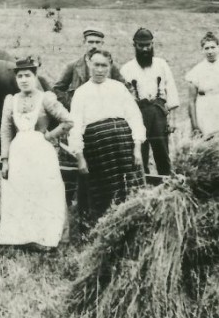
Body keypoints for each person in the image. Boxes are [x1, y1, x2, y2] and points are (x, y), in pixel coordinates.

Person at [0, 56, 73, 249]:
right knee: (21, 192)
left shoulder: (45, 98)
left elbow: (68, 121)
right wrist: (5, 160)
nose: (23, 80)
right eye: (20, 76)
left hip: (41, 153)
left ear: (35, 77)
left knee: (44, 192)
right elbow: (5, 131)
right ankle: (20, 239)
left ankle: (45, 238)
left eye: (27, 76)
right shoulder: (11, 101)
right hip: (18, 153)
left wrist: (50, 136)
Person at [69, 50, 146, 226]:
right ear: (89, 64)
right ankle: (106, 228)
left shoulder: (118, 88)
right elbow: (75, 128)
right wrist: (80, 158)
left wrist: (137, 147)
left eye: (104, 65)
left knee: (129, 189)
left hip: (124, 146)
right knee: (104, 193)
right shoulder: (81, 93)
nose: (100, 70)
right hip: (98, 150)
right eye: (96, 65)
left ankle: (133, 225)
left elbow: (134, 117)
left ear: (110, 66)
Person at [120, 28, 180, 175]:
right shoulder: (127, 68)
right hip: (138, 114)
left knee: (162, 151)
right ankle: (143, 187)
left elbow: (171, 90)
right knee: (141, 152)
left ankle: (166, 184)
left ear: (152, 44)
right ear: (134, 45)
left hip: (158, 113)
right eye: (141, 46)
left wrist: (172, 120)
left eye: (148, 45)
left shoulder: (161, 65)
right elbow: (123, 98)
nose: (145, 49)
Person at [53, 27, 125, 110]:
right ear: (84, 43)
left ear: (102, 44)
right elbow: (57, 89)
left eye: (97, 42)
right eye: (90, 42)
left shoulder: (111, 66)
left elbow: (125, 87)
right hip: (79, 110)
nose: (94, 46)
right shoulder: (73, 65)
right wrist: (70, 103)